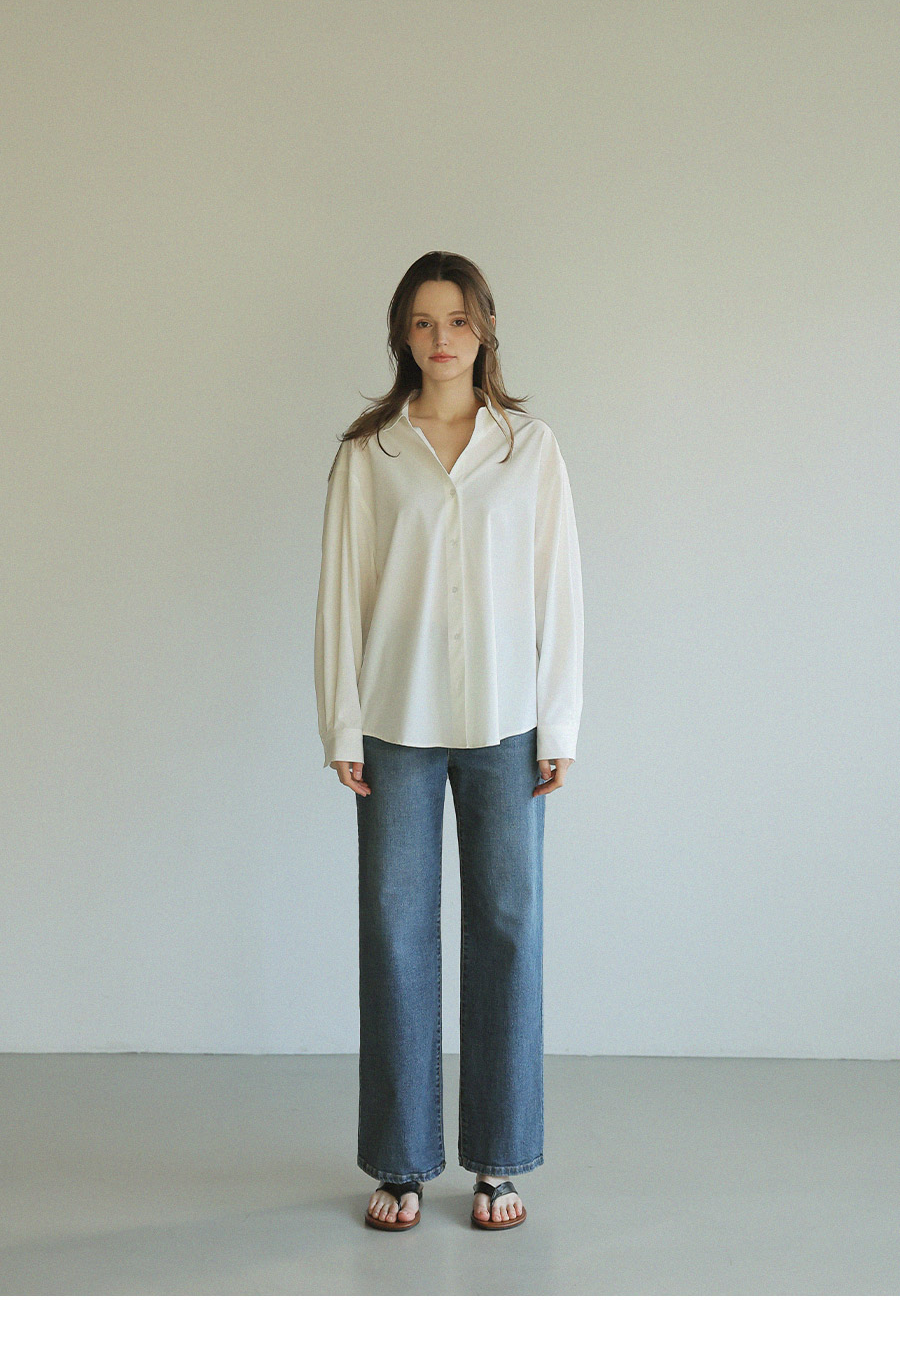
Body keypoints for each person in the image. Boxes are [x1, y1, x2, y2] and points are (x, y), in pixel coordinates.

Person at [314, 250, 584, 1231]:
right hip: (395, 722)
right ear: (402, 332)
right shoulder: (371, 453)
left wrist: (560, 721)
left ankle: (499, 1160)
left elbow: (560, 587)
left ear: (485, 330)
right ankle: (400, 1161)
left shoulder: (529, 448)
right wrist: (341, 720)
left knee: (509, 928)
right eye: (424, 321)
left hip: (507, 724)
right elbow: (342, 590)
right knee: (395, 932)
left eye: (458, 320)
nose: (441, 338)